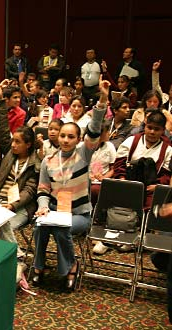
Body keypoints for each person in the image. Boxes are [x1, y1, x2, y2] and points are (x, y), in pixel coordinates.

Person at [32, 77, 108, 290]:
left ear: (77, 139)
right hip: (55, 210)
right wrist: (43, 207)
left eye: (70, 137)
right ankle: (38, 266)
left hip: (79, 215)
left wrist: (102, 100)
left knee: (61, 229)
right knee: (40, 227)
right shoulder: (48, 161)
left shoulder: (84, 154)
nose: (65, 140)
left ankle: (71, 266)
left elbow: (94, 129)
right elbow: (43, 189)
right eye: (63, 136)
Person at [114, 110, 172, 209]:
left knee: (153, 206)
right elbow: (119, 165)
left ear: (163, 130)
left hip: (151, 190)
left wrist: (157, 186)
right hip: (126, 183)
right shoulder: (131, 141)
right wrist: (122, 180)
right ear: (145, 126)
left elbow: (166, 175)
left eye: (157, 129)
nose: (152, 132)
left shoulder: (168, 150)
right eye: (149, 127)